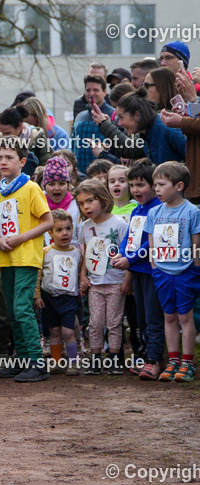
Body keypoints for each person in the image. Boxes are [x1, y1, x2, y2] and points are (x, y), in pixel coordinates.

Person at [0, 137, 53, 382]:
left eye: (9, 157)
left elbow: (49, 221)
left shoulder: (31, 188)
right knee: (12, 312)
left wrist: (20, 238)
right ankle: (23, 360)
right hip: (6, 260)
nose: (2, 162)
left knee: (22, 308)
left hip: (26, 258)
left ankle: (37, 363)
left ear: (22, 161)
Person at [144, 161, 200, 383]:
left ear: (178, 186)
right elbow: (151, 243)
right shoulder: (154, 212)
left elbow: (197, 243)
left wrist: (195, 269)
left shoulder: (192, 211)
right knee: (169, 316)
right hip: (162, 273)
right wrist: (155, 269)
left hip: (186, 273)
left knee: (185, 316)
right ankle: (173, 360)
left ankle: (187, 363)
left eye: (160, 184)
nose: (155, 189)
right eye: (154, 184)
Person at [112, 159, 163, 380]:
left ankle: (155, 360)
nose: (135, 190)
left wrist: (129, 260)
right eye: (132, 185)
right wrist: (122, 254)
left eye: (140, 185)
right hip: (137, 272)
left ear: (154, 186)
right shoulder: (137, 210)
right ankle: (145, 356)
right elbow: (129, 239)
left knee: (153, 317)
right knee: (140, 317)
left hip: (152, 271)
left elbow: (150, 244)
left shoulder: (157, 209)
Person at [74, 179, 127, 374]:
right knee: (95, 323)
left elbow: (126, 252)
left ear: (102, 199)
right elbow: (84, 253)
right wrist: (83, 276)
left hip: (115, 282)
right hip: (95, 284)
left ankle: (113, 359)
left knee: (114, 322)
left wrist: (127, 279)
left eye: (90, 200)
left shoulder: (119, 224)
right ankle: (95, 359)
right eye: (81, 203)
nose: (86, 206)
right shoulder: (84, 227)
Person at [35, 209, 81, 375]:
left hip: (69, 299)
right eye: (59, 230)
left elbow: (81, 274)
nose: (64, 233)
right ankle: (56, 363)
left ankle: (73, 363)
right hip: (49, 299)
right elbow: (38, 275)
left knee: (68, 332)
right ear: (50, 232)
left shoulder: (77, 254)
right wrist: (37, 295)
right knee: (54, 332)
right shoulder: (46, 252)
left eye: (68, 229)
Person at [99, 93, 185, 167]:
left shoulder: (166, 127)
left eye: (121, 117)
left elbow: (193, 157)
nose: (119, 123)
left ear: (137, 115)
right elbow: (128, 149)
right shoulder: (145, 133)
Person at [71, 74, 114, 174]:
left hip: (103, 174)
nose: (91, 93)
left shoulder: (113, 115)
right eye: (88, 90)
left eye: (96, 90)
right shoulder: (80, 116)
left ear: (104, 92)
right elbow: (73, 145)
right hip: (80, 174)